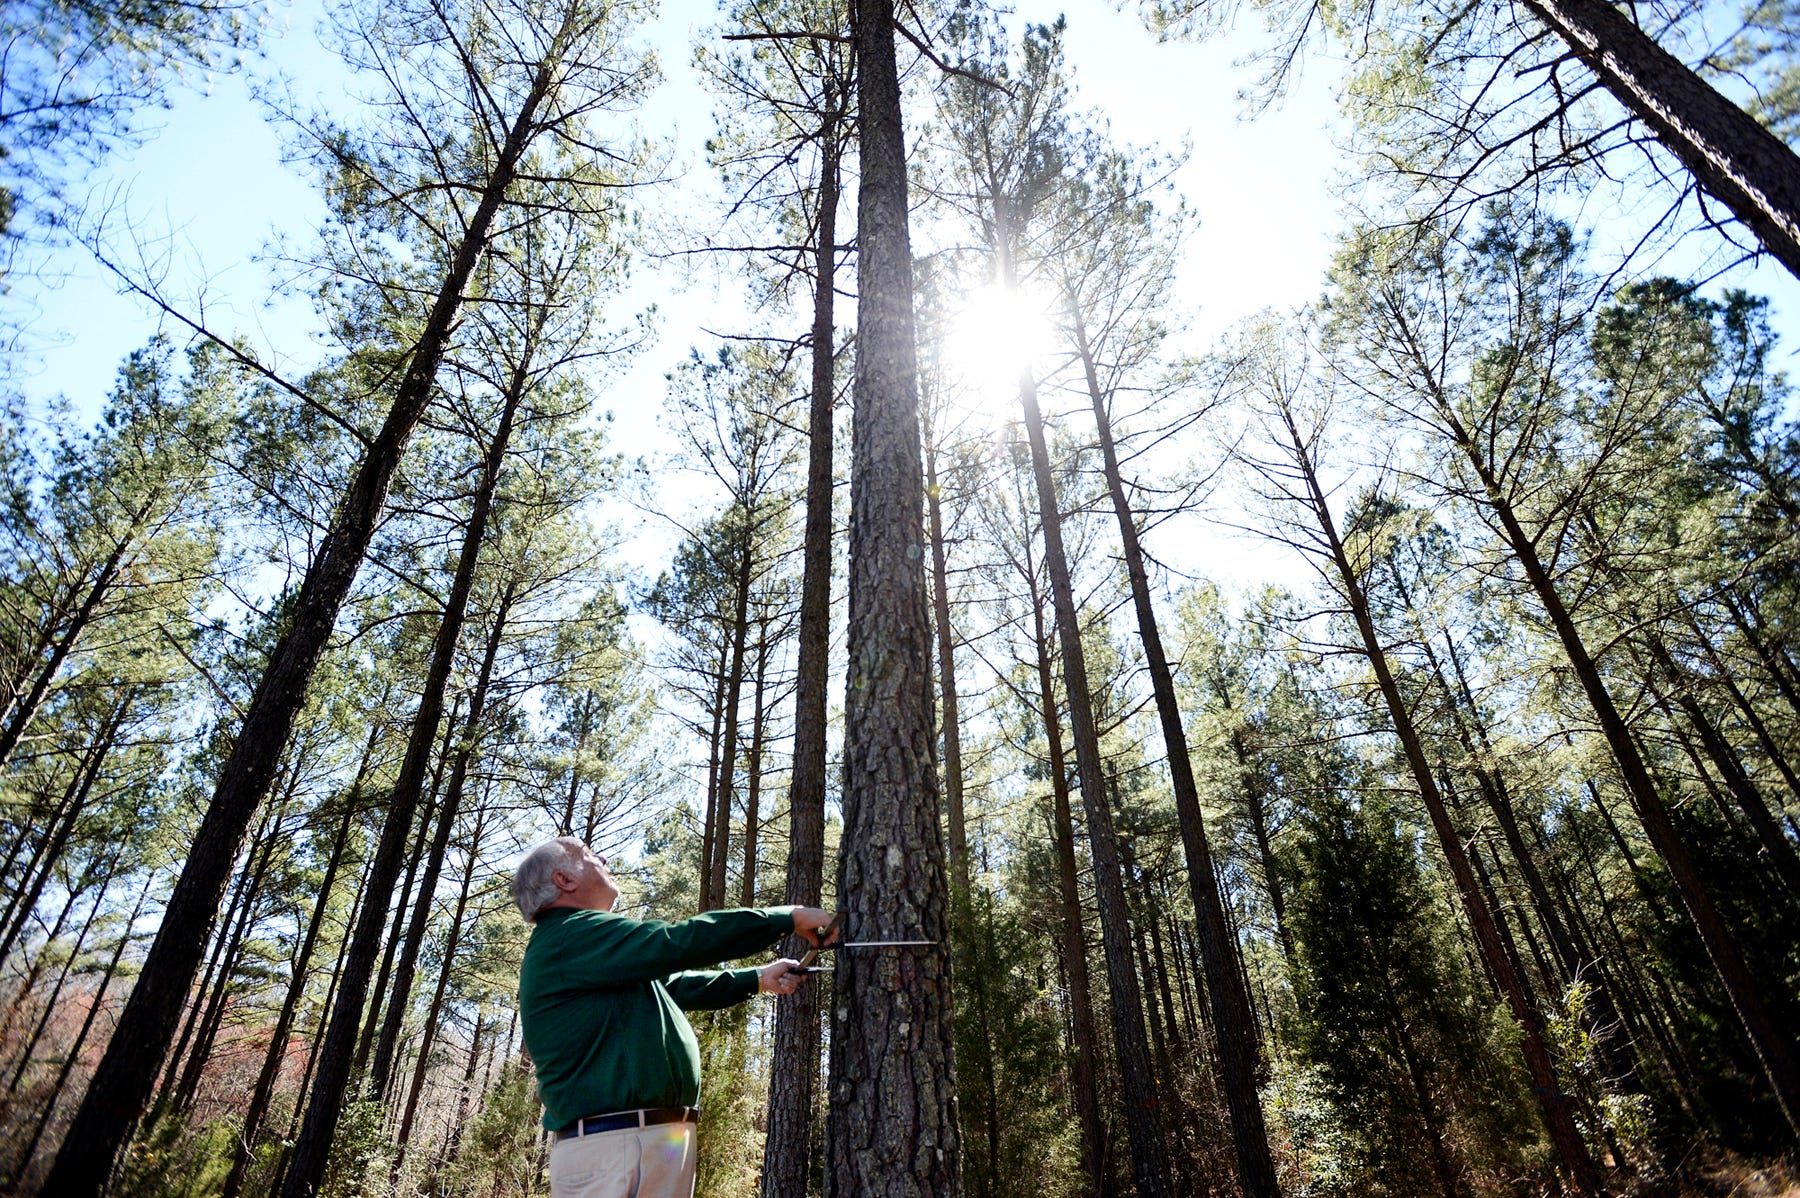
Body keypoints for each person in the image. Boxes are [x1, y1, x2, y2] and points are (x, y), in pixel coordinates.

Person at [512, 835, 837, 1198]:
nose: (602, 857)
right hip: (616, 1146)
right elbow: (676, 941)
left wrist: (758, 978)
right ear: (564, 880)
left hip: (637, 1143)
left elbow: (672, 986)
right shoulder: (570, 935)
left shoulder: (585, 947)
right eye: (587, 855)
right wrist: (786, 918)